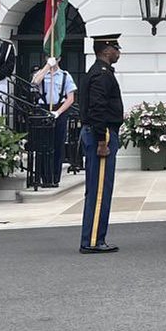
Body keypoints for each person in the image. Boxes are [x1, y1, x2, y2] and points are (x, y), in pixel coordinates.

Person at [80, 33, 124, 254]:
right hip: (103, 134)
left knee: (98, 189)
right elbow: (97, 109)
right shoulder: (101, 75)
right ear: (107, 50)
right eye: (116, 49)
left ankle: (95, 237)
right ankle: (93, 240)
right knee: (99, 191)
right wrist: (101, 140)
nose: (118, 52)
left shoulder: (97, 72)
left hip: (101, 132)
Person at [32, 56, 76, 187]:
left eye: (55, 58)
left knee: (57, 144)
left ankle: (54, 178)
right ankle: (42, 176)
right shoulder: (40, 73)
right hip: (44, 108)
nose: (53, 60)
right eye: (49, 57)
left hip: (58, 110)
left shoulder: (65, 76)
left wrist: (58, 112)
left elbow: (70, 98)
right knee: (42, 145)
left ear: (60, 58)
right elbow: (34, 83)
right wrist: (47, 67)